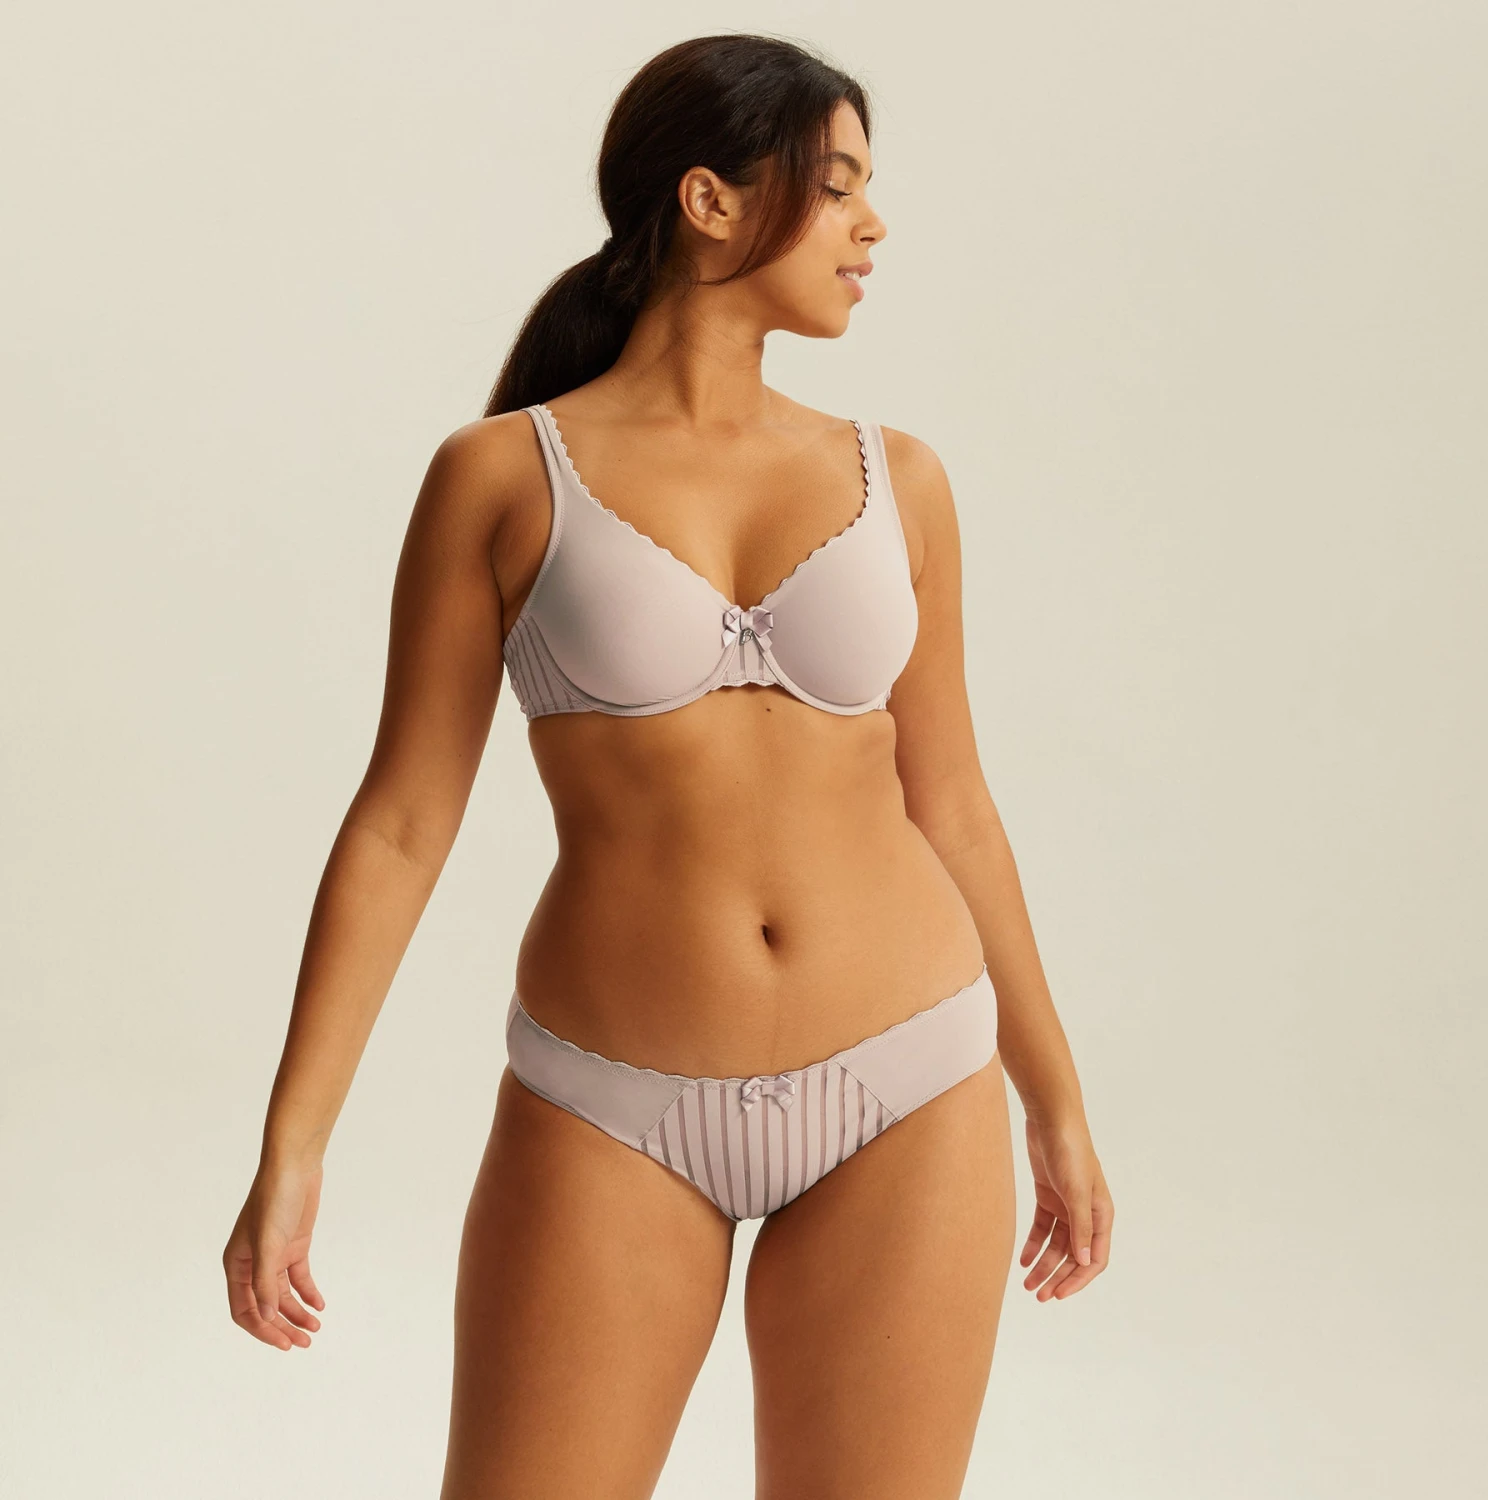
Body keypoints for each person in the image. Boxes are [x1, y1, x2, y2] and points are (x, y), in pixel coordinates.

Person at [222, 31, 1113, 1499]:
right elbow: (401, 823)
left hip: (910, 1082)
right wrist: (295, 1144)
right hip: (609, 1104)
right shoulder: (503, 475)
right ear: (710, 201)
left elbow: (952, 806)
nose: (873, 227)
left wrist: (1055, 1099)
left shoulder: (902, 481)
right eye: (838, 188)